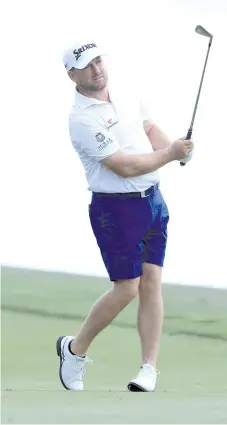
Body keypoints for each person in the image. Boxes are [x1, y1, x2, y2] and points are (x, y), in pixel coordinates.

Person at [57, 40, 194, 392]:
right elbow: (124, 166)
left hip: (154, 202)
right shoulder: (82, 119)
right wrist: (170, 154)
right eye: (86, 65)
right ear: (72, 75)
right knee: (126, 288)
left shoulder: (127, 95)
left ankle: (148, 368)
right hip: (114, 210)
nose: (96, 68)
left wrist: (178, 151)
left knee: (151, 283)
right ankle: (74, 350)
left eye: (98, 60)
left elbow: (149, 130)